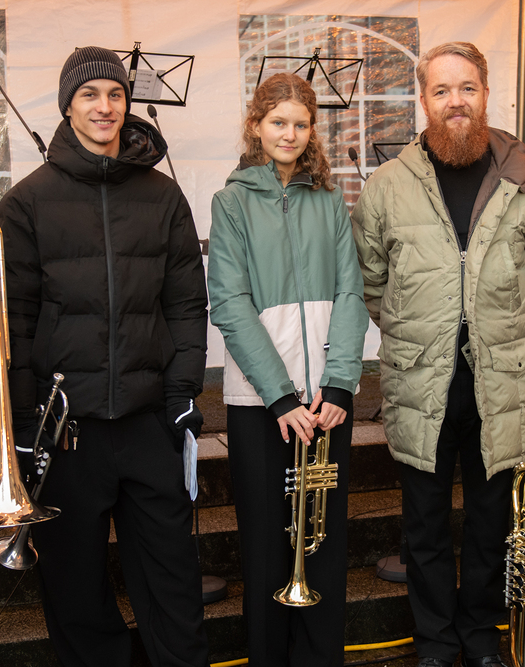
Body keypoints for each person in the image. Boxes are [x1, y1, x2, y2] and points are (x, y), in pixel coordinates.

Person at [351, 42, 525, 667]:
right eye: (441, 90)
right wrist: (418, 332)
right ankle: (436, 644)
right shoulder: (387, 186)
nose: (456, 102)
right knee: (423, 525)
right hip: (422, 383)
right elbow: (370, 280)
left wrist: (506, 329)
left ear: (486, 93)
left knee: (490, 524)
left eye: (467, 88)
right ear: (423, 100)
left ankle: (479, 637)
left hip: (500, 383)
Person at [0, 46, 210, 667]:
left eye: (115, 94)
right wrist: (24, 423)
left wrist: (180, 394)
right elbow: (16, 321)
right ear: (67, 106)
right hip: (66, 429)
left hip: (147, 421)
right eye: (89, 94)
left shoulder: (164, 197)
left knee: (173, 580)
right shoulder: (26, 201)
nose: (105, 106)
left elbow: (186, 305)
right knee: (75, 589)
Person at [207, 72, 368, 666]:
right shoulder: (230, 202)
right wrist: (279, 396)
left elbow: (351, 293)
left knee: (323, 544)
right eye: (278, 122)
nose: (290, 134)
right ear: (256, 125)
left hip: (326, 400)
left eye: (301, 124)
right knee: (266, 545)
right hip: (262, 403)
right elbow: (229, 302)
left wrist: (341, 383)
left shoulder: (329, 200)